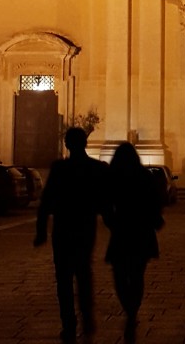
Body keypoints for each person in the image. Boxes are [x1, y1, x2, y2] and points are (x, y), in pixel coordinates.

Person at [34, 126, 110, 343]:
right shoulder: (96, 168)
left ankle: (68, 324)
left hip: (63, 231)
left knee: (63, 279)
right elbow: (104, 201)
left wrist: (41, 231)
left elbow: (46, 201)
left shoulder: (59, 168)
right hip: (85, 230)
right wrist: (113, 224)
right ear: (85, 143)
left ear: (67, 144)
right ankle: (87, 319)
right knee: (84, 274)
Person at [105, 141, 164, 340]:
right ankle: (133, 310)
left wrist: (112, 223)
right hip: (142, 233)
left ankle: (128, 307)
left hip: (121, 232)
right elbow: (155, 202)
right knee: (137, 274)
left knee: (120, 274)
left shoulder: (114, 178)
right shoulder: (144, 177)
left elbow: (106, 205)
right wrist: (155, 220)